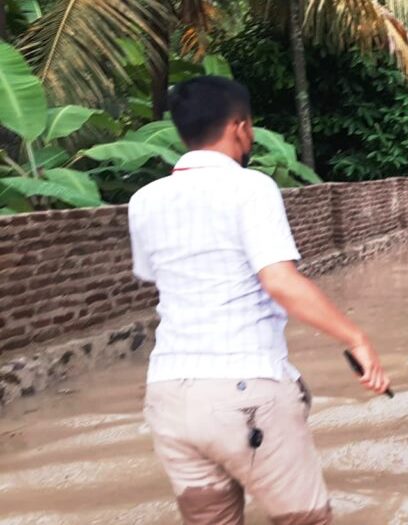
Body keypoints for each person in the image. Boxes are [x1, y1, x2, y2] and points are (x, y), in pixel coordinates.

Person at [128, 76, 390, 524]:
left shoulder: (143, 200)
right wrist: (356, 338)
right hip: (243, 390)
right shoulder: (250, 187)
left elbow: (156, 279)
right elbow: (280, 283)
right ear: (239, 127)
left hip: (169, 396)